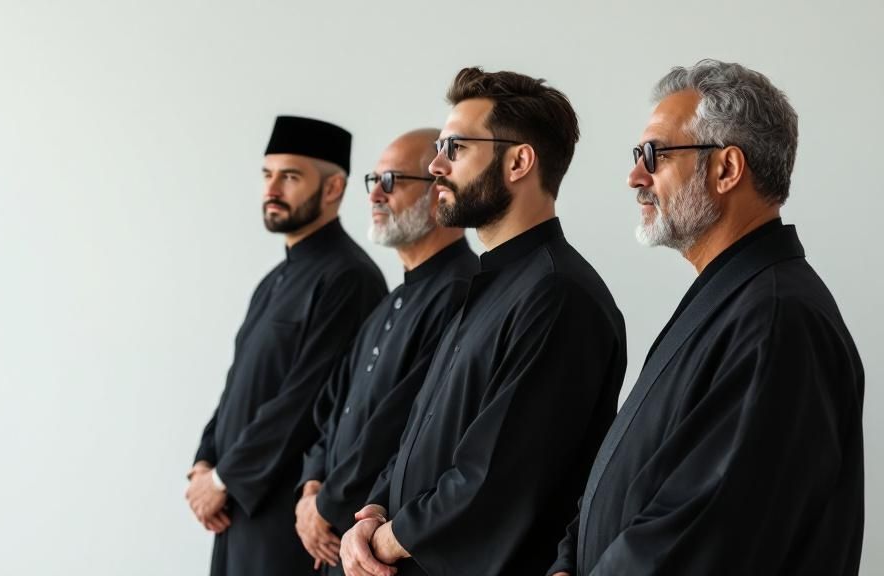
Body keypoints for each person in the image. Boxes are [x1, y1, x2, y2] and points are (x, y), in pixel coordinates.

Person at [548, 59, 865, 576]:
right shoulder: (730, 298)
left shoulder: (777, 320)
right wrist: (567, 561)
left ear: (726, 169)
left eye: (653, 155)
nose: (634, 177)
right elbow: (627, 469)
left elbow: (704, 531)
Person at [340, 68, 627, 576]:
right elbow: (419, 438)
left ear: (518, 161)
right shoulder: (488, 284)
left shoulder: (560, 295)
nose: (434, 166)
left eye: (455, 149)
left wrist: (387, 539)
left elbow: (497, 474)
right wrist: (375, 510)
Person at [185, 115, 387, 576]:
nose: (272, 188)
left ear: (334, 188)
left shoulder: (348, 278)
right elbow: (238, 385)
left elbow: (305, 400)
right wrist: (204, 462)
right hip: (235, 507)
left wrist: (223, 478)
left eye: (290, 177)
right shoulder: (273, 280)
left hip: (284, 516)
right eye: (266, 175)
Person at [294, 128, 478, 574]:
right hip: (340, 537)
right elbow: (333, 404)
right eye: (372, 181)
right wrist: (311, 487)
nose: (375, 194)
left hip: (379, 540)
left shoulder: (461, 292)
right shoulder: (392, 299)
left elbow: (398, 424)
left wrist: (329, 505)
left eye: (392, 180)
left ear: (440, 190)